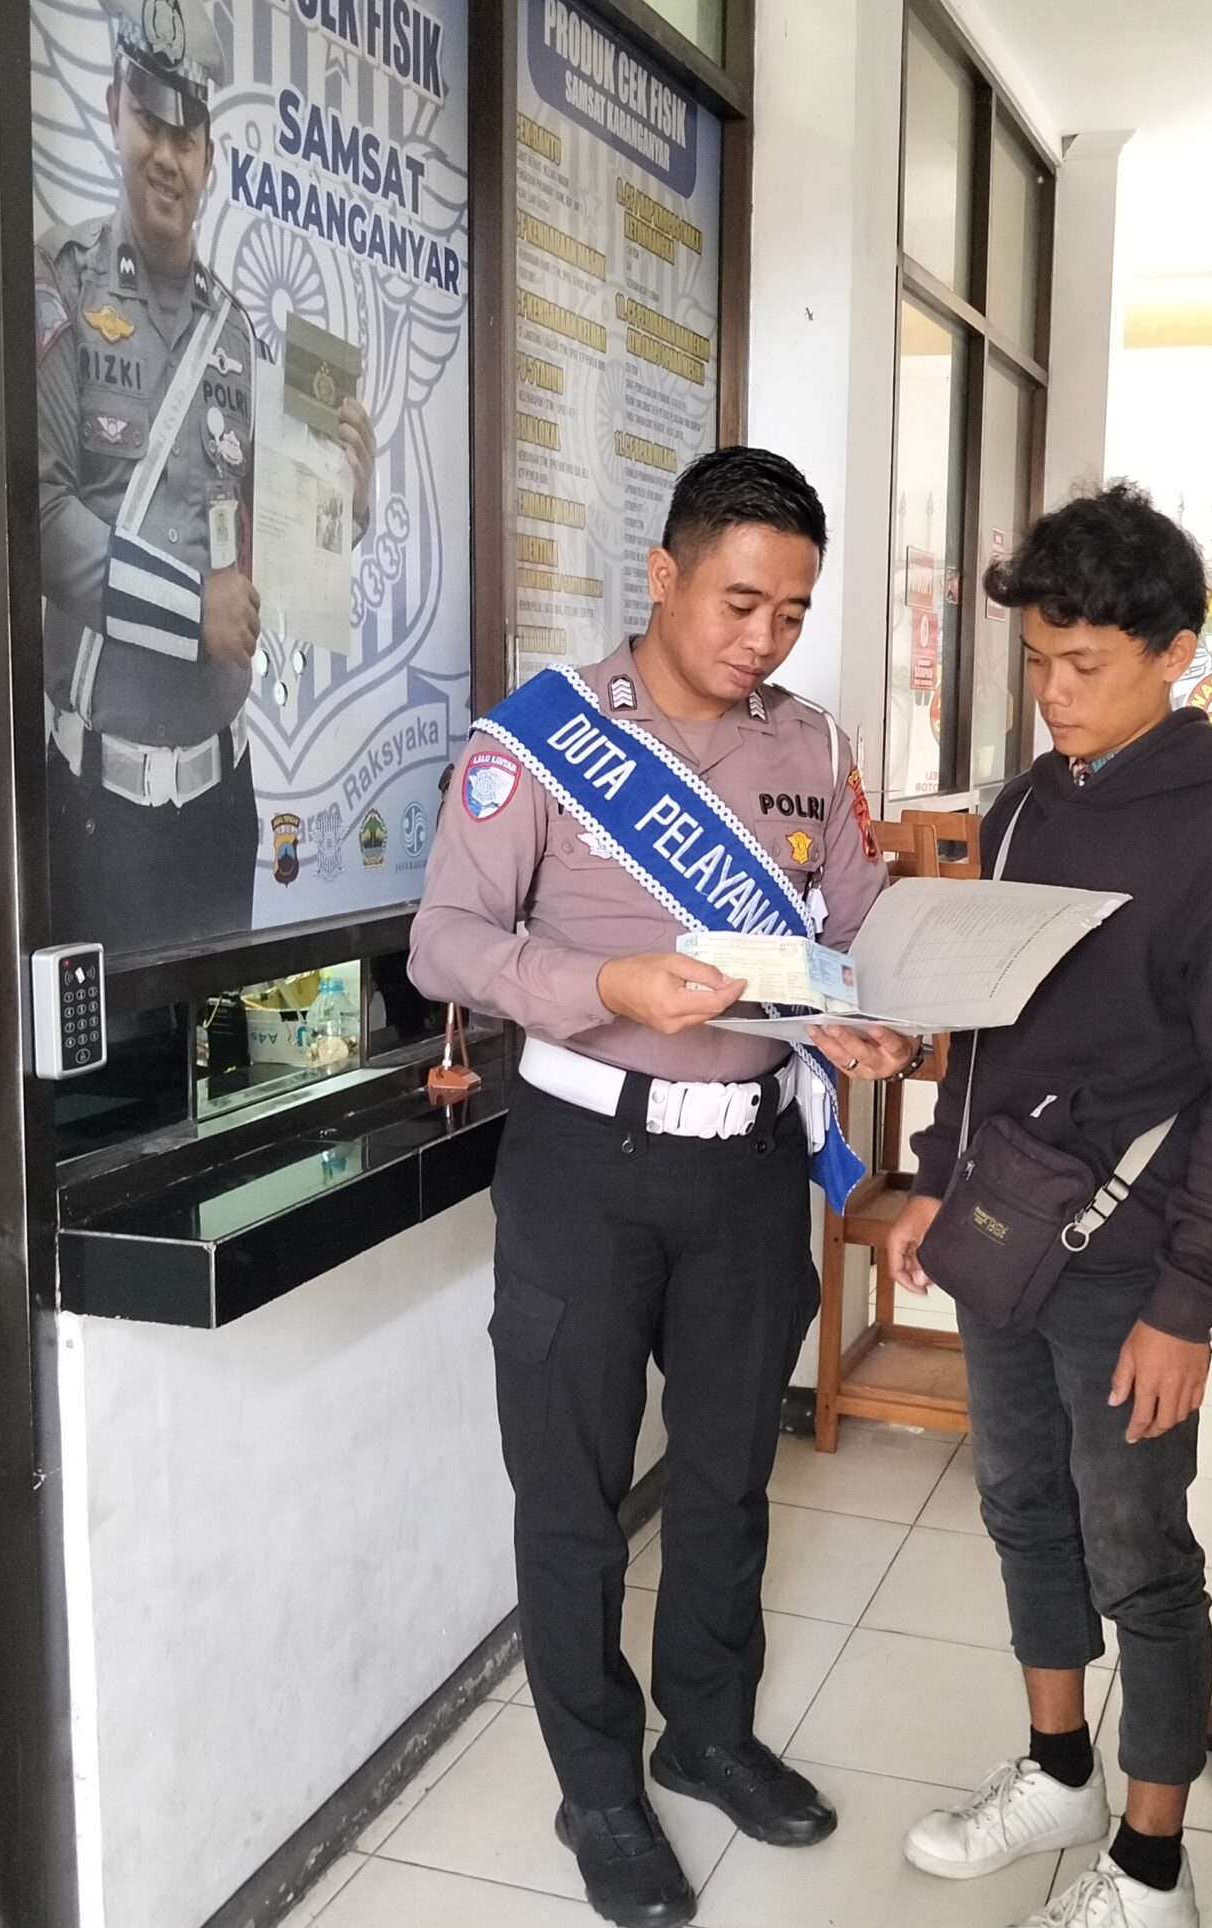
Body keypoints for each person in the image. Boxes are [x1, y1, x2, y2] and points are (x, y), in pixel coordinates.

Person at [408, 447, 914, 1928]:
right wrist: (602, 982)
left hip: (748, 1163)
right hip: (585, 1162)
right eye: (740, 603)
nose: (764, 639)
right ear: (664, 574)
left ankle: (708, 1731)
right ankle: (598, 1785)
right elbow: (442, 941)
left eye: (792, 613)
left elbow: (858, 925)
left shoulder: (809, 746)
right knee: (572, 1496)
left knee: (725, 1476)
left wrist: (876, 1012)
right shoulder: (542, 739)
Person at [880, 485, 1212, 1928]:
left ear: (1175, 653)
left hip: (1132, 1265)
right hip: (1006, 1225)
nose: (1054, 693)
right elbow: (981, 1028)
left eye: (1085, 664)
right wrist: (934, 1183)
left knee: (1140, 1553)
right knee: (1019, 1506)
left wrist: (1188, 1303)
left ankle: (1151, 1866)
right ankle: (1059, 1768)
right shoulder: (1023, 805)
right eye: (1036, 661)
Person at [36, 0, 377, 955]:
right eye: (151, 124)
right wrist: (192, 609)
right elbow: (42, 518)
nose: (167, 158)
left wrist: (345, 505)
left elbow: (278, 544)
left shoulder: (239, 335)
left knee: (220, 1048)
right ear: (115, 111)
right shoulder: (60, 281)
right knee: (110, 1059)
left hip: (225, 800)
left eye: (186, 138)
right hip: (100, 811)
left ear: (210, 157)